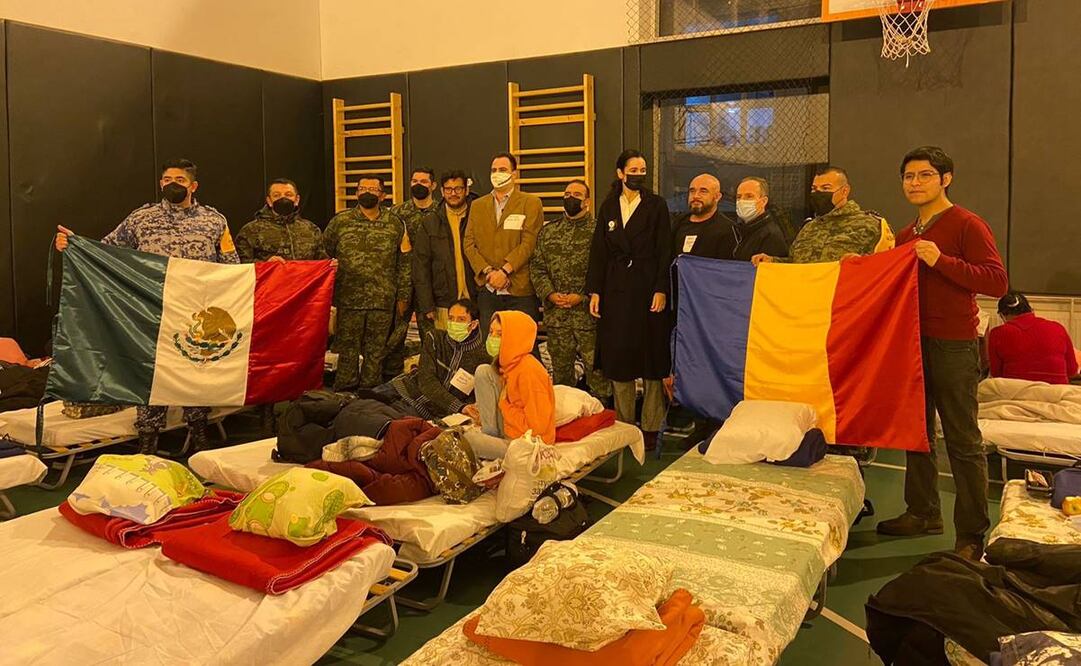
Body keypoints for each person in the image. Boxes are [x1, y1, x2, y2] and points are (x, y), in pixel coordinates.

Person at [877, 146, 1009, 562]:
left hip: (953, 345)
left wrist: (941, 260)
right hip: (912, 344)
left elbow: (997, 282)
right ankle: (923, 512)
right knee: (916, 434)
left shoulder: (967, 224)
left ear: (945, 179)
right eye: (908, 177)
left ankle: (971, 534)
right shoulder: (905, 235)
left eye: (924, 175)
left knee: (962, 440)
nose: (914, 183)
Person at [53, 158, 237, 455]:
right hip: (150, 310)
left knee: (196, 373)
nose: (172, 184)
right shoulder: (141, 218)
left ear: (193, 185)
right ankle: (148, 445)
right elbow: (107, 250)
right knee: (151, 374)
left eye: (179, 179)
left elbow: (231, 264)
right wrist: (74, 245)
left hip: (196, 313)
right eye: (166, 179)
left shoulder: (215, 221)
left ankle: (200, 439)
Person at [586, 149, 673, 450]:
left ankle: (650, 428)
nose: (639, 174)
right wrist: (595, 290)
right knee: (619, 359)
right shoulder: (609, 207)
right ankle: (624, 425)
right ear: (620, 173)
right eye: (633, 169)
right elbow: (599, 251)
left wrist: (661, 288)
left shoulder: (656, 206)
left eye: (643, 169)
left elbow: (665, 249)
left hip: (648, 289)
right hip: (616, 291)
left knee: (651, 360)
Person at [324, 174, 411, 390]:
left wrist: (403, 296)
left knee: (376, 353)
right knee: (347, 354)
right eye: (363, 188)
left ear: (383, 195)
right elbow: (322, 255)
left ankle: (370, 398)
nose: (367, 192)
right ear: (356, 193)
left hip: (382, 301)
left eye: (373, 189)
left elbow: (405, 263)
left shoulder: (395, 224)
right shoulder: (340, 222)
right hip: (348, 300)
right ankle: (344, 397)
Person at [530, 180, 611, 400]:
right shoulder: (548, 231)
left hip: (589, 317)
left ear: (587, 201)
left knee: (598, 377)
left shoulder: (599, 232)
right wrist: (550, 294)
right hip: (557, 318)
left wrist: (583, 296)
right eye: (567, 194)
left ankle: (603, 422)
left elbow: (607, 270)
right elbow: (537, 268)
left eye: (576, 194)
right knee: (562, 377)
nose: (570, 198)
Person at [369, 298, 491, 419]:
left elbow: (475, 397)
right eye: (451, 318)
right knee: (358, 405)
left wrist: (460, 408)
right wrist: (459, 406)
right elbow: (427, 380)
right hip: (404, 387)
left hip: (425, 409)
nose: (454, 323)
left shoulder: (483, 359)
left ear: (474, 324)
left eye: (461, 319)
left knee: (376, 420)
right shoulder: (434, 338)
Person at [463, 152, 544, 335]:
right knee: (491, 348)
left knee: (523, 346)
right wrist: (490, 272)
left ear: (514, 174)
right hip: (488, 289)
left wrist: (505, 270)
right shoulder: (477, 205)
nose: (497, 173)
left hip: (520, 290)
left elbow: (529, 242)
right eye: (494, 170)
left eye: (503, 169)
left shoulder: (531, 203)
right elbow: (469, 243)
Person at [752, 166, 894, 265]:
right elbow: (795, 264)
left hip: (844, 303)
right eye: (815, 189)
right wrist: (772, 262)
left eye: (826, 188)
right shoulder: (808, 228)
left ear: (844, 191)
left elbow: (886, 269)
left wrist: (862, 264)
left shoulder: (871, 226)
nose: (818, 193)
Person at [463, 310, 556, 458]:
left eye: (499, 334)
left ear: (514, 338)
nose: (492, 338)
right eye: (491, 332)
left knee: (467, 440)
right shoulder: (509, 365)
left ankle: (489, 440)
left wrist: (504, 405)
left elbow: (537, 428)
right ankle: (490, 434)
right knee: (484, 371)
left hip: (529, 445)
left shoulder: (529, 371)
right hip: (509, 431)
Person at [384, 167, 440, 377]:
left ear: (433, 186)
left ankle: (430, 376)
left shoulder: (440, 212)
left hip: (431, 284)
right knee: (396, 333)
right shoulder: (398, 213)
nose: (419, 185)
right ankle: (391, 377)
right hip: (403, 284)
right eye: (415, 180)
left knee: (431, 335)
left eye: (424, 181)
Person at [413, 170, 476, 338]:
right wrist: (427, 304)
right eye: (448, 189)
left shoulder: (478, 215)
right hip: (443, 300)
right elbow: (421, 267)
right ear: (441, 191)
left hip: (476, 298)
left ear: (466, 190)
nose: (453, 193)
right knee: (444, 351)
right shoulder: (430, 222)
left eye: (458, 189)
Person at [988, 292, 1077, 385]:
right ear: (1030, 310)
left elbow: (996, 374)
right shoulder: (1058, 328)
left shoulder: (997, 333)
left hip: (1015, 391)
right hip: (1056, 392)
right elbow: (1072, 371)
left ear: (1003, 315)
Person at [235, 178, 327, 263]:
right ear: (269, 201)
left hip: (304, 280)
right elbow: (240, 265)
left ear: (297, 200)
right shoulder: (250, 230)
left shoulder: (311, 229)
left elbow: (322, 262)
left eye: (288, 195)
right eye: (276, 195)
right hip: (270, 280)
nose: (283, 198)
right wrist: (265, 263)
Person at [671, 174, 735, 260]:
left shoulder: (728, 230)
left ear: (717, 197)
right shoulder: (676, 224)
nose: (696, 196)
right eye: (692, 191)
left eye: (703, 191)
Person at [732, 176, 789, 261]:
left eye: (749, 196)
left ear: (763, 201)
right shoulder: (742, 229)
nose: (742, 201)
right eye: (739, 197)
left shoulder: (770, 235)